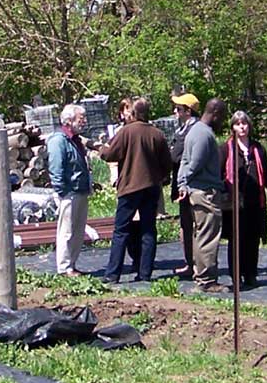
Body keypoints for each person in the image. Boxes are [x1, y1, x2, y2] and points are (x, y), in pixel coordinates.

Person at [96, 96, 172, 283]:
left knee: (121, 231)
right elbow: (167, 164)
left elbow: (108, 154)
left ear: (134, 113)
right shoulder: (157, 134)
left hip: (130, 187)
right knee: (148, 230)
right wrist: (158, 178)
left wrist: (98, 146)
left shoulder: (126, 132)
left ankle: (113, 274)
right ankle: (145, 274)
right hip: (151, 188)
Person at [222, 110, 267, 288]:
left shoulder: (258, 148)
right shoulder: (226, 148)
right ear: (232, 127)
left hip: (255, 202)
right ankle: (236, 277)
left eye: (244, 123)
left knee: (253, 240)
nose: (241, 127)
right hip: (234, 204)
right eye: (237, 124)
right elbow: (220, 175)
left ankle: (251, 274)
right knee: (236, 241)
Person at [175, 96, 227, 292]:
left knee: (200, 234)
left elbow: (184, 162)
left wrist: (182, 183)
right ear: (214, 113)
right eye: (221, 116)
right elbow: (194, 164)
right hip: (204, 192)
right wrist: (185, 181)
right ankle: (206, 280)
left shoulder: (193, 131)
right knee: (207, 235)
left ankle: (201, 274)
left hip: (195, 191)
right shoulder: (204, 134)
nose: (221, 121)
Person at [47, 103, 95, 276]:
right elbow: (56, 168)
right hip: (69, 193)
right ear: (68, 121)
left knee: (78, 231)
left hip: (80, 191)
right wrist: (62, 192)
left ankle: (71, 265)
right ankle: (64, 267)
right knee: (66, 232)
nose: (84, 122)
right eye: (80, 119)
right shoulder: (58, 140)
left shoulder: (75, 140)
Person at [168, 92, 202, 271]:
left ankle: (194, 264)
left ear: (188, 111)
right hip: (181, 183)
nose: (175, 111)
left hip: (190, 186)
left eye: (179, 109)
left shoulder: (192, 131)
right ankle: (190, 262)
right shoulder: (182, 129)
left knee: (191, 226)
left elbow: (177, 156)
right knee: (186, 224)